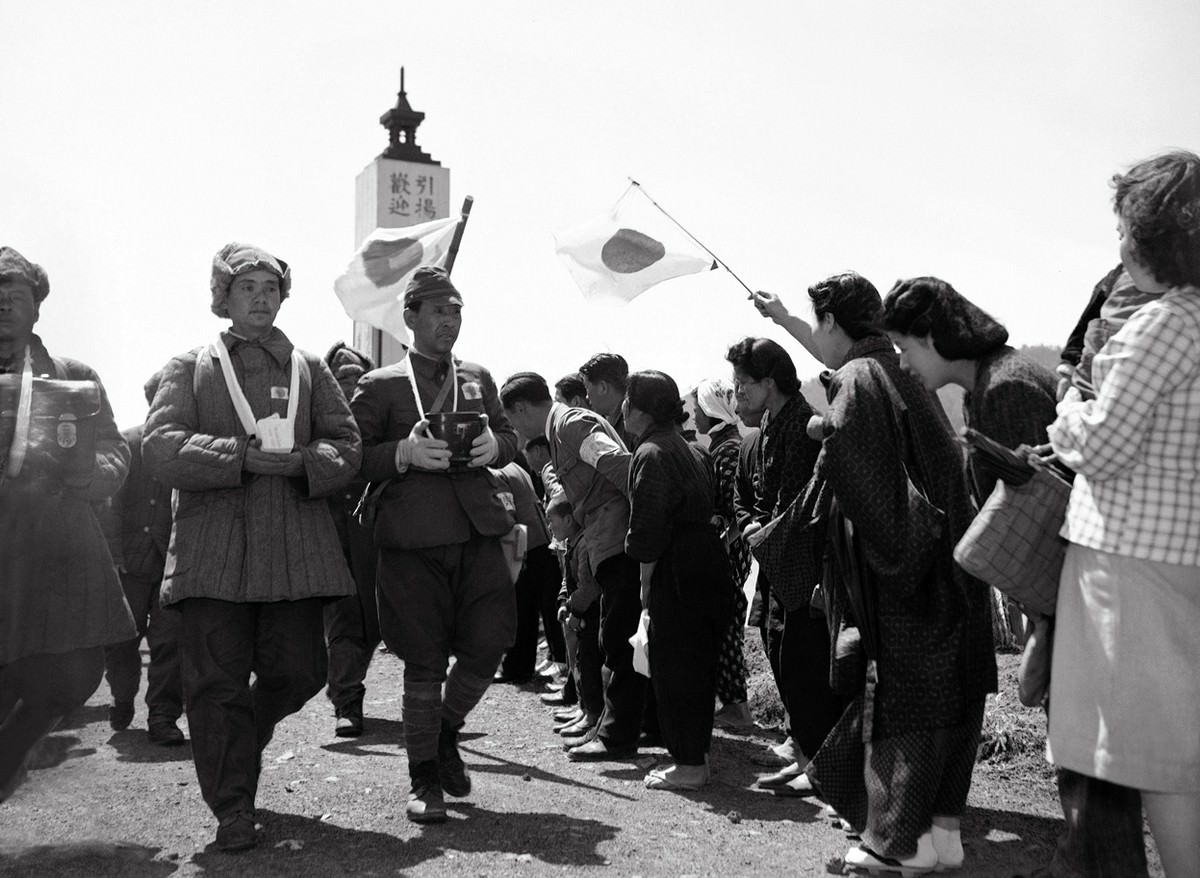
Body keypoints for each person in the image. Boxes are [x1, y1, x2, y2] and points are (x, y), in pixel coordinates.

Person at [761, 272, 996, 873]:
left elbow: (853, 470)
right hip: (953, 557)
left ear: (833, 324)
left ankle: (896, 844)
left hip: (908, 567)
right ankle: (940, 837)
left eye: (816, 324)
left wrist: (817, 548)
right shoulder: (891, 368)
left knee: (903, 705)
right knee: (951, 699)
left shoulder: (862, 378)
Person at [144, 243, 361, 851]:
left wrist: (300, 462)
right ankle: (233, 808)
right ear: (224, 298)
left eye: (271, 287)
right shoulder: (190, 366)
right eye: (248, 288)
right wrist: (238, 456)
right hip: (212, 557)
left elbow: (347, 446)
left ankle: (241, 736)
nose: (261, 298)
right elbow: (160, 445)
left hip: (295, 552)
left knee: (302, 670)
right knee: (215, 686)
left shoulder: (309, 368)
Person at [1046, 150, 1200, 878]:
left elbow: (1103, 446)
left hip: (1130, 559)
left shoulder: (1165, 323)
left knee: (1153, 754)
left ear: (1148, 236)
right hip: (1179, 554)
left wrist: (1067, 408)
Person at [351, 266, 518, 824]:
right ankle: (424, 779)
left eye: (457, 312)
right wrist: (401, 453)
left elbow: (510, 438)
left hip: (477, 531)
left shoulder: (477, 375)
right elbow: (351, 457)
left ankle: (444, 731)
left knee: (490, 644)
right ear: (411, 317)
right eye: (439, 312)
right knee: (423, 661)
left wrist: (498, 445)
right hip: (412, 538)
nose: (450, 321)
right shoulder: (381, 386)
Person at [0, 246, 135, 802]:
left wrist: (94, 476)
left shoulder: (73, 378)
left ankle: (11, 753)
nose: (5, 303)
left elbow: (114, 449)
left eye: (17, 293)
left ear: (37, 307)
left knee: (76, 674)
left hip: (60, 547)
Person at [500, 371, 647, 762]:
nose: (514, 429)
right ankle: (617, 727)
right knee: (611, 639)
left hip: (615, 540)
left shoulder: (570, 425)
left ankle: (617, 736)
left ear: (519, 409)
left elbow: (619, 465)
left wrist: (645, 520)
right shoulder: (563, 427)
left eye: (511, 420)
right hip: (605, 540)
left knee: (616, 642)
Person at [724, 338, 829, 789]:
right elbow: (743, 495)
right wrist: (751, 525)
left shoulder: (802, 426)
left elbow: (797, 506)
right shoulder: (765, 427)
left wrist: (760, 531)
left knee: (803, 657)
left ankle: (819, 761)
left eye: (743, 385)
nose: (737, 396)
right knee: (776, 644)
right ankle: (804, 747)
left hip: (801, 563)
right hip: (772, 555)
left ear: (770, 382)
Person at [621, 370, 732, 790]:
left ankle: (688, 764)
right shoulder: (692, 448)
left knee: (675, 668)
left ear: (642, 410)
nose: (624, 408)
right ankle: (695, 756)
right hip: (707, 561)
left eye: (629, 401)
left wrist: (646, 585)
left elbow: (647, 533)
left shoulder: (651, 452)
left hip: (678, 568)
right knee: (697, 666)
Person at [102, 370, 185, 745]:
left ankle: (163, 716)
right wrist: (114, 554)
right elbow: (112, 505)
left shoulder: (184, 445)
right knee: (122, 638)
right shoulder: (127, 442)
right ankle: (122, 695)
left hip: (173, 561)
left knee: (169, 641)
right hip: (129, 564)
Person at [321, 341, 380, 738]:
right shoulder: (315, 420)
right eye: (341, 378)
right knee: (346, 622)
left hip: (377, 534)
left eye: (356, 378)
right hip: (331, 535)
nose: (350, 385)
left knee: (381, 621)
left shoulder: (380, 417)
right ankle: (346, 702)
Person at [690, 378, 755, 732]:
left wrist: (720, 545)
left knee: (727, 622)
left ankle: (737, 706)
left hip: (728, 552)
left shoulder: (729, 450)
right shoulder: (722, 446)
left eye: (698, 409)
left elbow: (733, 510)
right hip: (726, 549)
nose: (694, 415)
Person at [578, 352, 635, 446]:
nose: (587, 397)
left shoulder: (632, 425)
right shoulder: (605, 424)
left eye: (587, 387)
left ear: (602, 387)